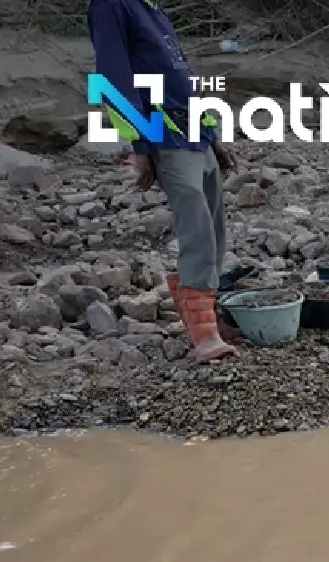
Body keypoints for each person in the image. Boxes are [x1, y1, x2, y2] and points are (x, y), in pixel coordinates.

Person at [89, 0, 239, 363]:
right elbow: (112, 80)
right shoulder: (111, 6)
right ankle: (203, 336)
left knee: (215, 228)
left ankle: (208, 319)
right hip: (164, 134)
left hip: (194, 135)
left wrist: (212, 135)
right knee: (197, 224)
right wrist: (139, 144)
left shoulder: (153, 10)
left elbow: (180, 80)